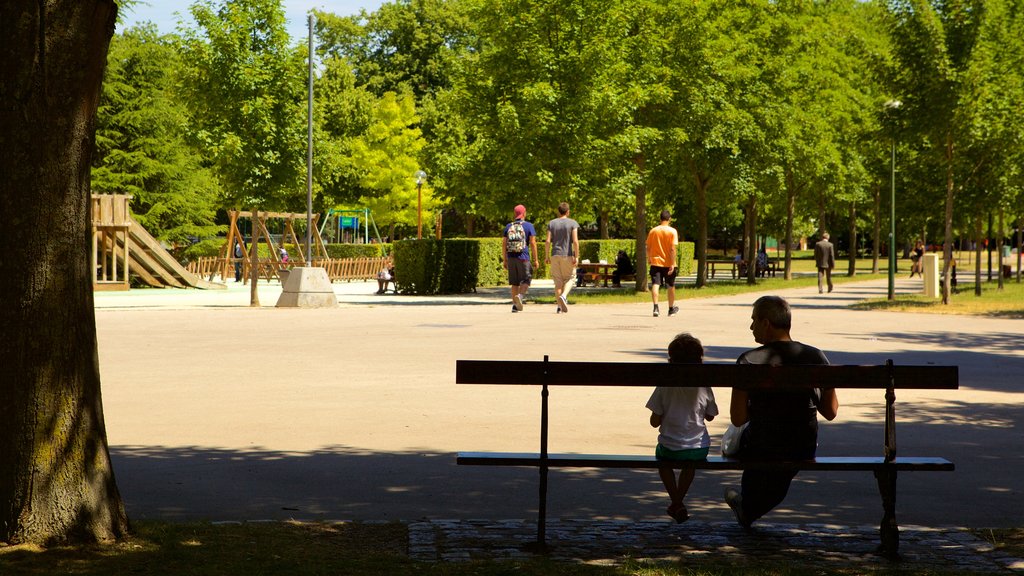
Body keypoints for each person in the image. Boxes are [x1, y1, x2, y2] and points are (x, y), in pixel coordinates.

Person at [723, 296, 839, 528]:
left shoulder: (748, 361)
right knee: (779, 464)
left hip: (762, 443)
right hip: (802, 443)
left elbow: (738, 418)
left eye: (754, 320)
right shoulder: (816, 356)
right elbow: (831, 411)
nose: (751, 326)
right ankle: (748, 507)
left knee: (757, 447)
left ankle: (747, 507)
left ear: (766, 323)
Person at [646, 333, 718, 523]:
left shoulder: (664, 385)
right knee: (689, 464)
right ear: (700, 362)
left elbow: (654, 422)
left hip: (669, 448)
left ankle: (676, 502)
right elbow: (710, 416)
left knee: (663, 462)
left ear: (670, 361)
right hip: (698, 448)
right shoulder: (704, 385)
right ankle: (677, 502)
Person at [545, 202, 580, 314]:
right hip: (567, 254)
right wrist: (577, 256)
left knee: (558, 282)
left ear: (558, 211)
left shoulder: (551, 223)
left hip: (555, 254)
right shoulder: (572, 223)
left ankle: (559, 307)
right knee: (571, 277)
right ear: (568, 211)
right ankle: (564, 296)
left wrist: (546, 256)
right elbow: (575, 241)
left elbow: (547, 241)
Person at [503, 204, 538, 312]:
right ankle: (521, 296)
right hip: (523, 257)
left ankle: (515, 305)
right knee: (526, 279)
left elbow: (504, 243)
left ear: (515, 214)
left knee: (514, 283)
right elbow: (532, 243)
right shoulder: (528, 226)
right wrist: (536, 259)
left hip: (511, 257)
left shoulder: (508, 226)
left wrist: (505, 259)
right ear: (524, 213)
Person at [646, 210, 679, 317]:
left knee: (656, 284)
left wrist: (649, 258)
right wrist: (673, 263)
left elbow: (648, 247)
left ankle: (655, 308)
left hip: (655, 261)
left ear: (660, 219)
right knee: (670, 285)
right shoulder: (672, 231)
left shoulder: (653, 231)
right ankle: (670, 309)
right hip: (668, 263)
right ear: (669, 219)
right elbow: (672, 249)